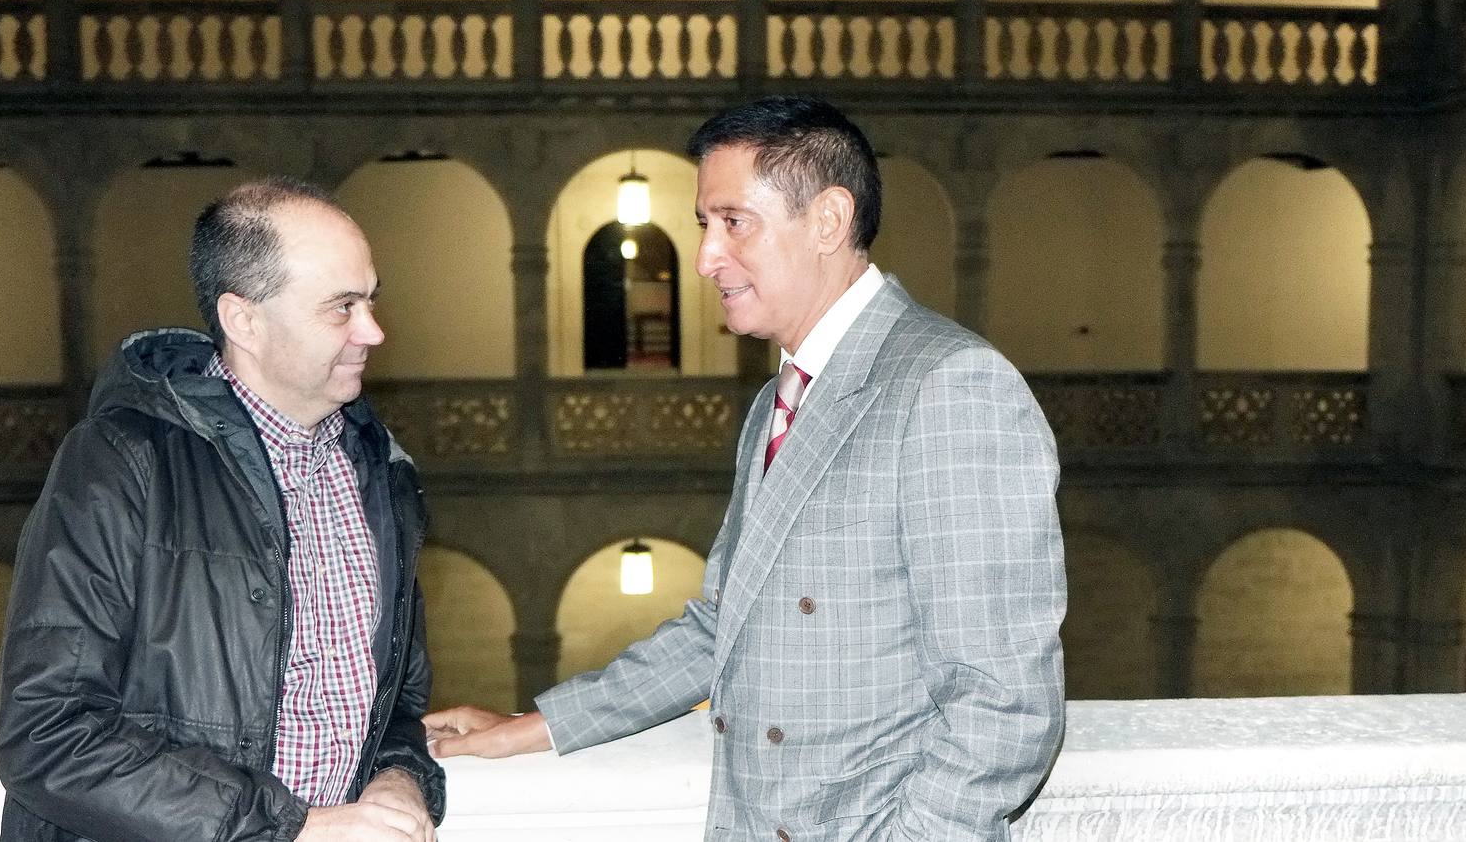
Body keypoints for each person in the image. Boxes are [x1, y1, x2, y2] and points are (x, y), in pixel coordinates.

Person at [425, 97, 1067, 840]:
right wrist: (536, 726)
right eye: (705, 224)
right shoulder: (778, 400)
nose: (704, 258)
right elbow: (726, 628)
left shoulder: (950, 385)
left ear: (828, 220)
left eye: (735, 222)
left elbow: (1006, 701)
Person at [0, 178, 444, 841]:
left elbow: (399, 706)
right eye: (341, 307)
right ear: (245, 320)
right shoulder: (120, 463)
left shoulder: (382, 476)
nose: (374, 331)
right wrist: (294, 827)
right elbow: (48, 733)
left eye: (372, 300)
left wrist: (400, 775)